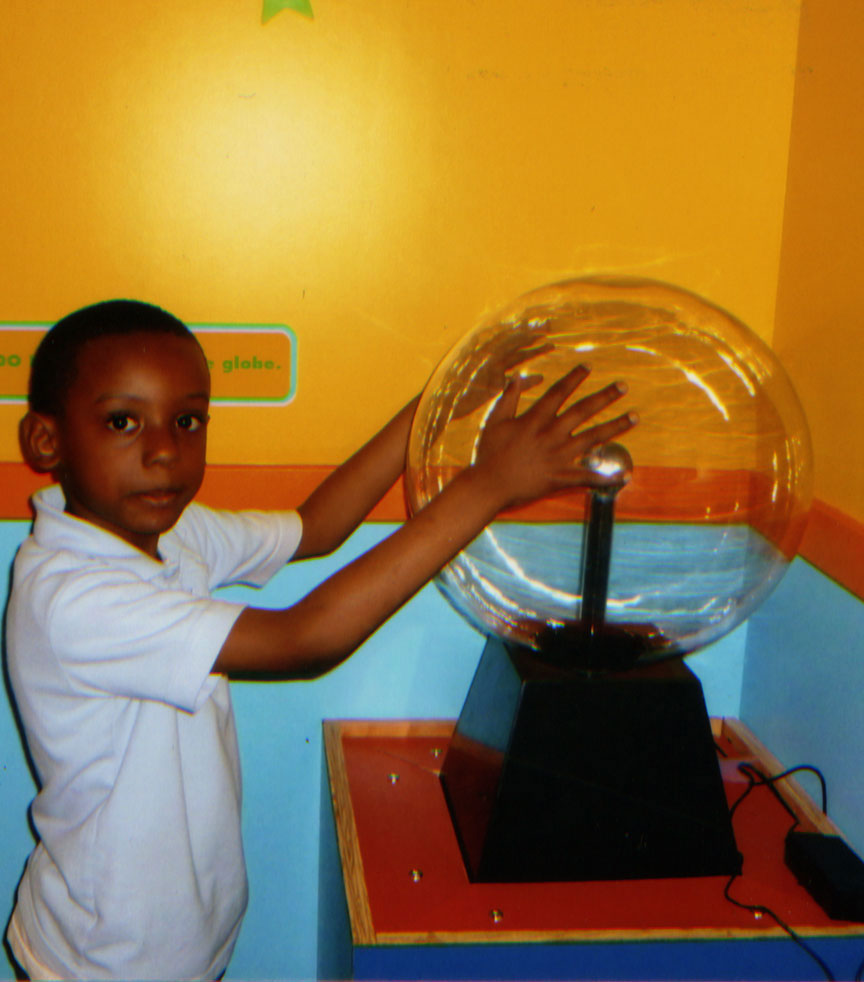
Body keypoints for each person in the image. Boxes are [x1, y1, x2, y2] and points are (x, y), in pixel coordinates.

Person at [5, 299, 636, 980]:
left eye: (187, 420)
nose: (163, 450)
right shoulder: (72, 597)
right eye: (122, 422)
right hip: (106, 962)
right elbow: (305, 639)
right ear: (46, 441)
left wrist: (441, 404)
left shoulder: (168, 535)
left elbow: (316, 527)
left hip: (175, 941)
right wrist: (488, 486)